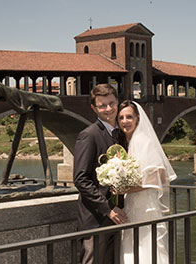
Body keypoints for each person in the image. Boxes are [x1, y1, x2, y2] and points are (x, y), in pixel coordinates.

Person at [116, 100, 177, 264]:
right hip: (133, 205)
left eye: (129, 117)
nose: (124, 121)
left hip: (145, 208)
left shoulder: (143, 141)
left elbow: (160, 176)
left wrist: (127, 188)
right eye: (121, 117)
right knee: (134, 248)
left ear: (137, 118)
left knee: (145, 248)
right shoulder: (129, 142)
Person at [73, 84, 128, 264]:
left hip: (119, 215)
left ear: (118, 102)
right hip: (96, 218)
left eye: (111, 103)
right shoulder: (88, 135)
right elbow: (80, 179)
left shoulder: (121, 135)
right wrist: (108, 209)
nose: (108, 109)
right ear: (94, 108)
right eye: (102, 105)